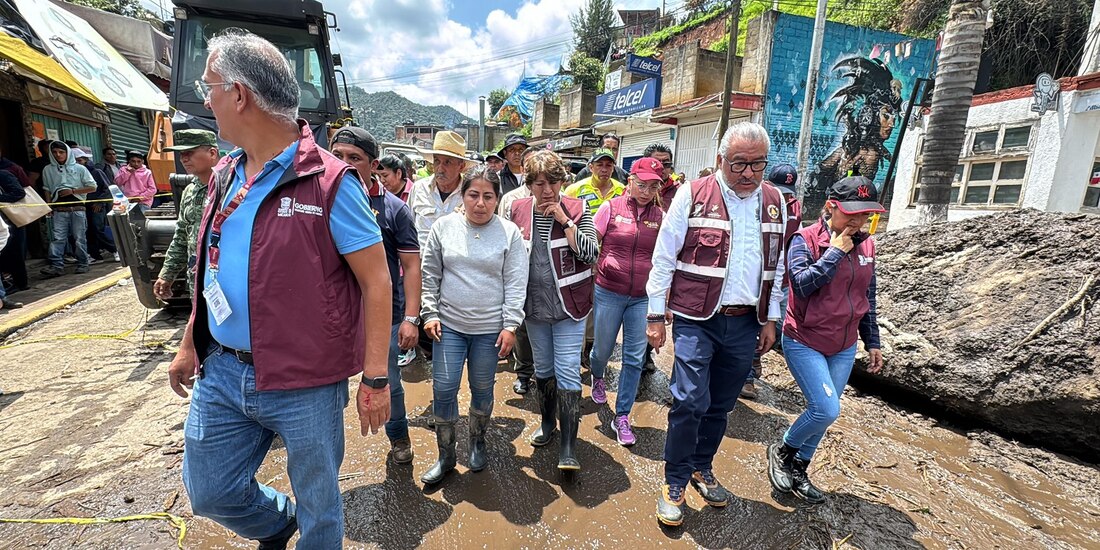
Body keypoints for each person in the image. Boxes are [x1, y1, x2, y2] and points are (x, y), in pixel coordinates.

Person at [167, 30, 392, 548]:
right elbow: (211, 266)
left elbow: (377, 281)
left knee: (320, 504)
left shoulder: (331, 181)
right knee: (209, 492)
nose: (206, 100)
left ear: (240, 95)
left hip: (305, 381)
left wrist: (375, 379)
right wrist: (188, 343)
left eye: (211, 87)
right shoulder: (224, 174)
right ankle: (275, 522)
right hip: (221, 369)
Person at [647, 122, 787, 526]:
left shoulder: (775, 201)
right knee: (690, 400)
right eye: (739, 164)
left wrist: (771, 318)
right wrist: (656, 316)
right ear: (720, 161)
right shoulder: (693, 194)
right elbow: (664, 256)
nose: (748, 174)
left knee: (721, 405)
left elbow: (776, 269)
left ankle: (700, 467)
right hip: (696, 319)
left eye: (757, 164)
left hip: (746, 323)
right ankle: (673, 480)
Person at [767, 176, 884, 504]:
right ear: (831, 207)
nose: (859, 223)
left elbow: (867, 296)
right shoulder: (804, 240)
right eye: (852, 215)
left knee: (824, 412)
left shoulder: (868, 244)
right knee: (826, 408)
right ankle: (782, 449)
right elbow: (801, 285)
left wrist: (872, 341)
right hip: (805, 339)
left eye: (865, 216)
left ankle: (800, 467)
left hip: (844, 345)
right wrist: (833, 254)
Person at [419, 164, 528, 484]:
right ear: (462, 196)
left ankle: (478, 441)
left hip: (489, 331)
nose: (480, 203)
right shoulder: (443, 228)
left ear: (497, 199)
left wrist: (510, 325)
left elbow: (516, 282)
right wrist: (431, 313)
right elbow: (431, 274)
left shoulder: (508, 233)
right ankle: (446, 454)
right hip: (449, 326)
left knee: (482, 389)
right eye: (473, 195)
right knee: (444, 388)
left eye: (488, 196)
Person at [330, 126, 422, 465]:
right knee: (329, 387)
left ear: (374, 165)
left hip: (383, 314)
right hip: (334, 315)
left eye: (354, 158)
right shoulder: (319, 201)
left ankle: (399, 438)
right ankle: (327, 451)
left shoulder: (395, 210)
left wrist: (411, 318)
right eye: (337, 156)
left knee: (387, 382)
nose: (344, 165)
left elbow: (411, 266)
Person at [510, 150, 599, 471]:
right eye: (539, 183)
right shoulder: (517, 209)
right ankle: (548, 424)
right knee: (543, 369)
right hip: (533, 308)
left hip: (569, 308)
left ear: (563, 181)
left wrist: (565, 221)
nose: (547, 190)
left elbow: (591, 254)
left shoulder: (577, 207)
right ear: (529, 184)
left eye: (553, 182)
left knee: (566, 369)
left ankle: (568, 446)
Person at [589, 157, 664, 446]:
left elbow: (666, 259)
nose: (645, 191)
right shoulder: (611, 208)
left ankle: (622, 415)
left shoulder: (661, 217)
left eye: (652, 186)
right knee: (603, 349)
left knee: (633, 357)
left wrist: (664, 301)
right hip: (608, 291)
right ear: (630, 181)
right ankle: (597, 377)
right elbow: (590, 241)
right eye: (641, 184)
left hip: (642, 298)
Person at [743, 163, 803, 399]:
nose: (783, 196)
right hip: (757, 276)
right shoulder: (758, 202)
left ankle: (754, 358)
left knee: (774, 327)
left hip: (782, 277)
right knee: (751, 323)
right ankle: (746, 376)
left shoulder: (795, 207)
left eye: (787, 192)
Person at [565, 147, 624, 370]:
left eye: (608, 165)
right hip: (579, 256)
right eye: (599, 164)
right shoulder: (574, 189)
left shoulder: (622, 190)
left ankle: (591, 348)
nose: (604, 169)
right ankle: (574, 351)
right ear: (591, 167)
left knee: (599, 305)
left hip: (610, 259)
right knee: (579, 300)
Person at [154, 130, 220, 301]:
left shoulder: (233, 187)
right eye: (181, 154)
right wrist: (167, 274)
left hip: (226, 279)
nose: (184, 159)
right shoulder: (190, 191)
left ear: (212, 153)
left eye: (189, 153)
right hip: (198, 281)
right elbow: (182, 235)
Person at [499, 145, 541, 395]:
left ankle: (546, 373)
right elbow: (502, 235)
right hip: (519, 272)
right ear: (525, 169)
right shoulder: (512, 199)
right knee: (522, 325)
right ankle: (524, 373)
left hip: (548, 275)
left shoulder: (558, 197)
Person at [40, 142, 96, 278]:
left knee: (79, 238)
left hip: (77, 209)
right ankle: (56, 266)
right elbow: (47, 188)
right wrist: (49, 206)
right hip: (59, 210)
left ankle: (83, 263)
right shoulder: (48, 169)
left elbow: (93, 187)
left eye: (61, 152)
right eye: (55, 152)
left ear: (68, 153)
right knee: (58, 238)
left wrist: (73, 190)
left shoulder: (80, 168)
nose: (58, 155)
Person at [73, 149, 117, 264]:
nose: (78, 163)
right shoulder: (74, 174)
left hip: (97, 205)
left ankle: (116, 250)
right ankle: (95, 255)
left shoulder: (96, 172)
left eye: (80, 160)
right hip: (83, 206)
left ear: (86, 160)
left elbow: (108, 189)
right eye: (75, 161)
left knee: (99, 229)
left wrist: (100, 202)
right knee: (89, 231)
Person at [0, 169, 25, 309]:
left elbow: (3, 231)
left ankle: (2, 298)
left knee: (13, 255)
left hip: (11, 221)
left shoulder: (4, 173)